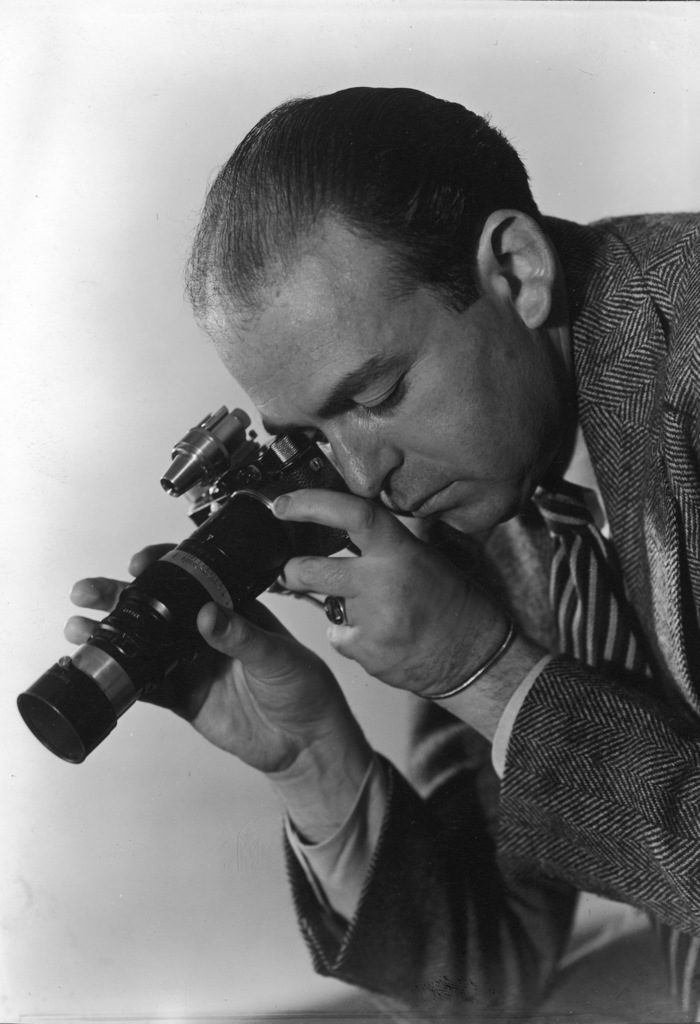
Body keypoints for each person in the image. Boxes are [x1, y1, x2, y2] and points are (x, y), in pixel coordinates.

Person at [66, 87, 700, 1020]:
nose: (364, 478)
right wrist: (313, 762)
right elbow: (485, 979)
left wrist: (488, 673)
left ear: (517, 271)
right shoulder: (500, 488)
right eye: (316, 434)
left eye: (378, 395)